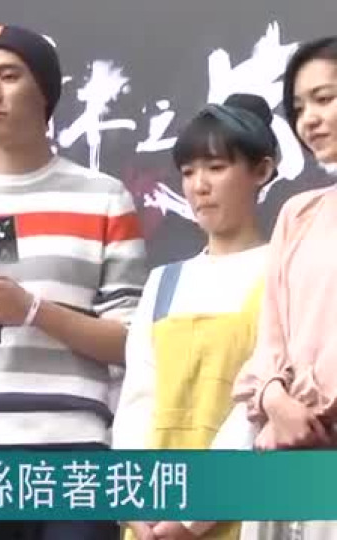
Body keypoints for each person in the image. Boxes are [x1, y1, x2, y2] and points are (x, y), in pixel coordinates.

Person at [0, 24, 148, 540]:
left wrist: (34, 312)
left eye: (9, 76)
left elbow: (131, 341)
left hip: (75, 448)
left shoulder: (103, 198)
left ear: (45, 92)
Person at [113, 94, 279, 540]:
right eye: (188, 172)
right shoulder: (164, 281)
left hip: (238, 515)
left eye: (216, 168)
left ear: (262, 171)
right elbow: (136, 401)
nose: (198, 186)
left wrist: (191, 517)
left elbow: (255, 411)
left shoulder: (281, 273)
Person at [230, 35, 337, 540]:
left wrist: (307, 414)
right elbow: (270, 340)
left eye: (325, 98)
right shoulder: (299, 213)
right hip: (284, 455)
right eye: (298, 108)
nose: (309, 120)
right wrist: (274, 399)